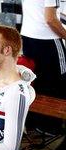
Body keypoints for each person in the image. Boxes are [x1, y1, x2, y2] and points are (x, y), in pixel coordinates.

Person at [21, 0, 66, 135]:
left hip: (29, 36)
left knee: (36, 80)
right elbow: (50, 19)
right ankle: (51, 127)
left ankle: (36, 123)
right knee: (59, 81)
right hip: (48, 38)